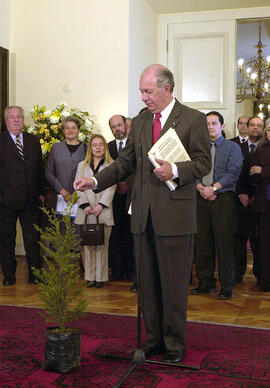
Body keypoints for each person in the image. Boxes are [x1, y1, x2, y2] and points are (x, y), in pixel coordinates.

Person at [74, 64, 211, 364]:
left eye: (148, 92)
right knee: (147, 284)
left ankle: (174, 343)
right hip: (142, 216)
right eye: (141, 92)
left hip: (175, 217)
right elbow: (124, 164)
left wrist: (175, 169)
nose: (144, 98)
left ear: (166, 88)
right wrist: (94, 181)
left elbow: (203, 162)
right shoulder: (138, 122)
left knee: (174, 284)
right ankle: (152, 340)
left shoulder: (193, 119)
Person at [191, 111, 243, 300]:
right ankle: (205, 282)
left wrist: (212, 188)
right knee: (202, 243)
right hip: (201, 198)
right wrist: (200, 188)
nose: (210, 127)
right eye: (207, 124)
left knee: (225, 244)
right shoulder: (198, 148)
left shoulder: (232, 147)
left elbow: (234, 171)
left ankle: (227, 285)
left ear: (222, 126)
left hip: (223, 199)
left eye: (214, 123)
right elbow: (193, 170)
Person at [0, 105, 44, 285]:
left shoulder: (33, 140)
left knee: (33, 239)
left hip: (30, 200)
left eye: (19, 117)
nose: (16, 120)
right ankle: (9, 275)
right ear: (6, 120)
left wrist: (41, 192)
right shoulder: (1, 140)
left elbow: (39, 169)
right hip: (5, 201)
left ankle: (35, 275)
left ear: (24, 120)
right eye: (12, 117)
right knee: (6, 240)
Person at [75, 134, 115, 288]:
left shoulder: (111, 165)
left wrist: (101, 205)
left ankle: (100, 278)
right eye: (94, 145)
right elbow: (78, 186)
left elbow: (112, 187)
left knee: (102, 247)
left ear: (105, 147)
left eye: (101, 145)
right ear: (90, 148)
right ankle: (90, 276)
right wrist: (85, 205)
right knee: (88, 246)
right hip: (86, 212)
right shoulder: (82, 166)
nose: (98, 148)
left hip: (102, 211)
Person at [107, 115, 134, 289]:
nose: (117, 129)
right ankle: (117, 269)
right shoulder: (108, 147)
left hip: (132, 195)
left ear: (126, 125)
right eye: (113, 127)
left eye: (119, 125)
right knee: (115, 234)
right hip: (113, 196)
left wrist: (127, 184)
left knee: (131, 234)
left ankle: (132, 270)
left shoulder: (135, 144)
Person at [237, 116, 264, 283]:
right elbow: (235, 171)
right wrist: (241, 193)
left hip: (261, 199)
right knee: (238, 238)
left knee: (258, 239)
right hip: (239, 199)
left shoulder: (266, 147)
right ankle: (237, 273)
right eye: (252, 125)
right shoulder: (234, 145)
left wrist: (255, 196)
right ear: (246, 127)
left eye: (259, 126)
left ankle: (260, 274)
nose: (255, 128)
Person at [45, 115, 87, 208]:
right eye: (67, 128)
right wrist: (62, 191)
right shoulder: (56, 147)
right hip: (60, 197)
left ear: (78, 130)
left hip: (83, 196)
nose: (70, 130)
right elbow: (48, 172)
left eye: (73, 128)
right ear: (63, 131)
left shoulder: (87, 148)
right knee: (61, 222)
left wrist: (77, 193)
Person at [250, 118, 270, 291]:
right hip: (264, 204)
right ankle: (265, 281)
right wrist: (261, 174)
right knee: (264, 244)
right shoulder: (261, 149)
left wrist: (263, 170)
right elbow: (253, 174)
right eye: (269, 129)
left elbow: (259, 171)